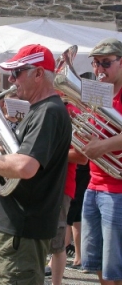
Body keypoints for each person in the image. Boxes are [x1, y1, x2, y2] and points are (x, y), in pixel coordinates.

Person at [0, 44, 72, 284]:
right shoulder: (40, 110)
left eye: (17, 73)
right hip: (17, 226)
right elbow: (20, 157)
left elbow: (26, 167)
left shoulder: (48, 112)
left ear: (38, 74)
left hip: (23, 228)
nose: (12, 80)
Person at [81, 37, 122, 285]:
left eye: (105, 63)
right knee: (95, 262)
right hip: (94, 185)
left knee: (114, 267)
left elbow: (102, 142)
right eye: (95, 64)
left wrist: (102, 146)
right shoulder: (99, 93)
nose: (99, 70)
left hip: (117, 189)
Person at [45, 146, 87, 285]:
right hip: (40, 186)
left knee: (57, 243)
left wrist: (44, 149)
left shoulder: (71, 126)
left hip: (61, 188)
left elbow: (81, 157)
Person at [65, 163, 90, 268]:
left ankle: (59, 256)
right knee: (76, 215)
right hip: (82, 169)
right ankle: (79, 257)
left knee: (69, 214)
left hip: (81, 169)